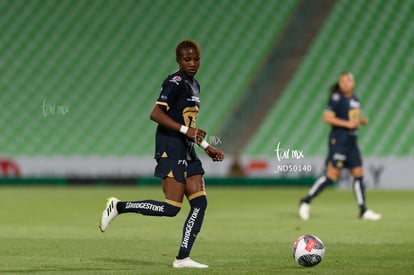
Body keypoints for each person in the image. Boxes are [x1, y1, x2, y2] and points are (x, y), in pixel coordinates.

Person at [99, 39, 224, 268]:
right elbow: (155, 114)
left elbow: (187, 122)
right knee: (171, 209)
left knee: (200, 204)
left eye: (196, 58)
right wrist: (188, 131)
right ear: (178, 60)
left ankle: (182, 258)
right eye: (187, 59)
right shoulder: (174, 82)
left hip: (188, 151)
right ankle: (118, 206)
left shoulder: (195, 85)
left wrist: (206, 147)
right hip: (170, 148)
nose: (193, 63)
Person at [299, 72, 381, 221]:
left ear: (353, 83)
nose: (345, 83)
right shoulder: (336, 98)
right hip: (339, 141)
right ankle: (306, 201)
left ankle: (363, 210)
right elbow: (327, 117)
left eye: (348, 80)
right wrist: (347, 124)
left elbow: (351, 118)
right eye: (342, 81)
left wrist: (360, 121)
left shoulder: (355, 98)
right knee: (331, 176)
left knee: (358, 174)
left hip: (352, 142)